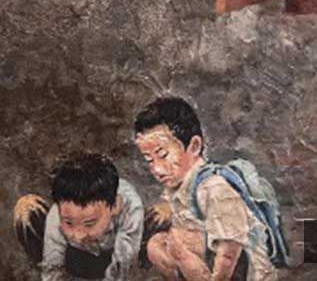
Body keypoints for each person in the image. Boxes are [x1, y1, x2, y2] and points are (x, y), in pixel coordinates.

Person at [134, 96, 275, 281]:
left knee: (178, 240)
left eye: (163, 155)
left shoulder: (214, 187)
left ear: (194, 146)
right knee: (156, 244)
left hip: (239, 268)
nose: (157, 169)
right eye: (149, 160)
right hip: (208, 258)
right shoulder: (179, 186)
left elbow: (230, 249)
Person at [13, 153, 144, 281]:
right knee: (27, 208)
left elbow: (122, 267)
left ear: (115, 205)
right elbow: (53, 271)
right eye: (69, 223)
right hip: (77, 261)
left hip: (112, 256)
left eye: (89, 223)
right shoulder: (57, 214)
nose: (78, 235)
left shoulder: (129, 205)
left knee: (161, 216)